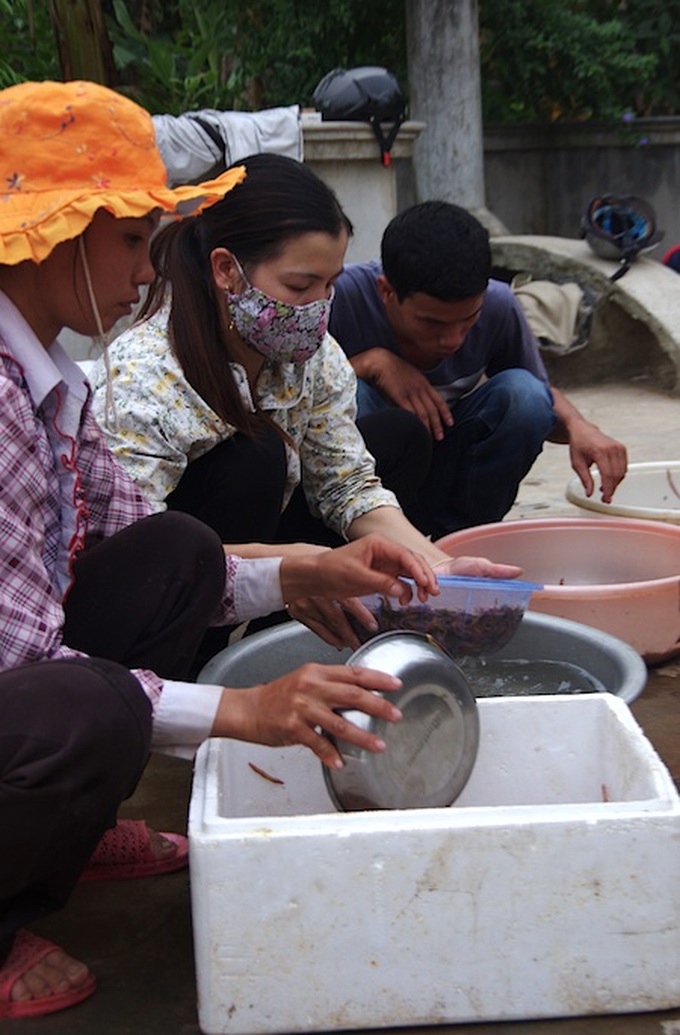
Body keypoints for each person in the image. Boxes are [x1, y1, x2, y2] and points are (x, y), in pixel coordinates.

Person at [0, 80, 518, 1020]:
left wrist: (318, 569)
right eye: (128, 235)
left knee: (180, 552)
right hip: (30, 672)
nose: (145, 262)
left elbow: (132, 541)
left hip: (49, 655)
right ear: (57, 232)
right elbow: (29, 662)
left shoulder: (48, 380)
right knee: (87, 704)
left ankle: (80, 819)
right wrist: (242, 706)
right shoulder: (84, 385)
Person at [89, 156, 496, 637]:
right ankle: (206, 656)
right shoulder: (144, 377)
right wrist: (300, 569)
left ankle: (286, 628)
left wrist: (437, 567)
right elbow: (128, 547)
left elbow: (346, 484)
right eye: (300, 286)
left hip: (269, 554)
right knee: (256, 456)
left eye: (330, 284)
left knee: (397, 437)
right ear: (227, 270)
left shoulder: (314, 356)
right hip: (162, 590)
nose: (318, 305)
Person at [330, 200, 629, 539]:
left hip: (442, 476)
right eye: (432, 323)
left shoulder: (499, 305)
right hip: (360, 488)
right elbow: (288, 399)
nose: (452, 339)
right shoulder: (338, 297)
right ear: (387, 291)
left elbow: (535, 402)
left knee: (524, 394)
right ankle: (357, 543)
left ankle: (465, 539)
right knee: (351, 392)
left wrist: (579, 425)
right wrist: (370, 364)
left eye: (467, 320)